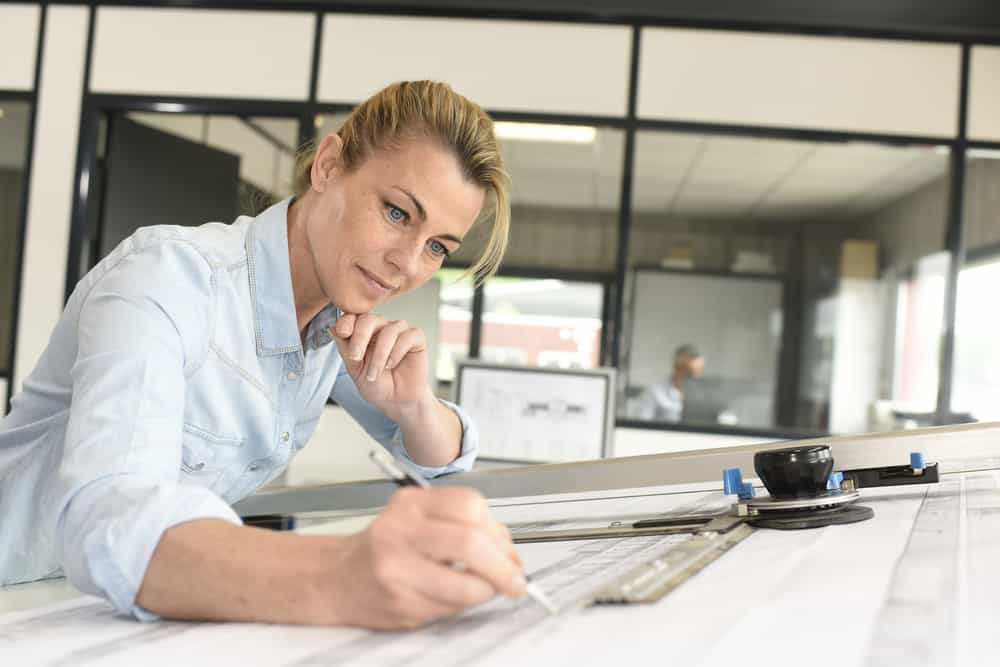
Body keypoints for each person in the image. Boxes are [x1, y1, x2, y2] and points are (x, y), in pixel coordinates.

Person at [0, 81, 528, 629]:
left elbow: (442, 459)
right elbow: (110, 520)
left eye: (438, 246)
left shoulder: (333, 322)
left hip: (88, 613)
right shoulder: (167, 278)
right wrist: (346, 573)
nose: (407, 264)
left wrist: (416, 407)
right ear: (328, 165)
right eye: (397, 213)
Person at [635, 344, 705, 422]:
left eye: (699, 372)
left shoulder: (704, 397)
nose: (695, 378)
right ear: (677, 368)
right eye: (690, 373)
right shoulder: (654, 392)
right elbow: (641, 423)